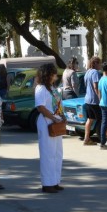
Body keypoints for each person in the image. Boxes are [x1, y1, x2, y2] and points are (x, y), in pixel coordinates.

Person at [34, 63, 64, 193]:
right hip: (47, 122)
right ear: (47, 74)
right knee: (48, 154)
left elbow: (57, 103)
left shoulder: (51, 88)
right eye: (53, 73)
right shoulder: (41, 89)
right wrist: (53, 118)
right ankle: (47, 183)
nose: (55, 75)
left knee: (57, 153)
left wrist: (62, 116)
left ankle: (55, 180)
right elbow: (41, 107)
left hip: (56, 122)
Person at [82, 56, 102, 146]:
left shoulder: (87, 72)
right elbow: (95, 87)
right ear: (95, 63)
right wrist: (100, 99)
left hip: (87, 99)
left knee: (90, 120)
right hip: (94, 101)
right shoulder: (95, 73)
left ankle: (86, 138)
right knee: (102, 119)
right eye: (99, 63)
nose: (100, 65)